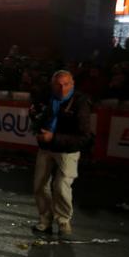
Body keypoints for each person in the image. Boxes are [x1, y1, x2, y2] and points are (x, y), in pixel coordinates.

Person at [32, 70, 93, 236]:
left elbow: (84, 137)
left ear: (72, 84)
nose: (62, 88)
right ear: (52, 85)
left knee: (61, 186)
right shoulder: (45, 96)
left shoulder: (80, 103)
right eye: (58, 84)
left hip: (68, 151)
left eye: (66, 84)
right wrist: (37, 128)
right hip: (46, 147)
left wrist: (54, 137)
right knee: (39, 185)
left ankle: (63, 220)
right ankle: (45, 219)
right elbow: (35, 114)